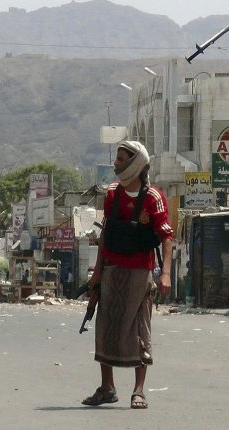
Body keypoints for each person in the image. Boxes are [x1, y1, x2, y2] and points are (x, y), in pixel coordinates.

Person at [82, 140, 173, 410]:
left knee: (139, 328)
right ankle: (107, 387)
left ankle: (139, 390)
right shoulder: (113, 194)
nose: (116, 163)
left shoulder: (153, 197)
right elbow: (106, 234)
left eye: (121, 159)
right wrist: (97, 273)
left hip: (140, 274)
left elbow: (166, 236)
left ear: (135, 163)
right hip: (112, 271)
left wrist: (166, 273)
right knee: (105, 327)